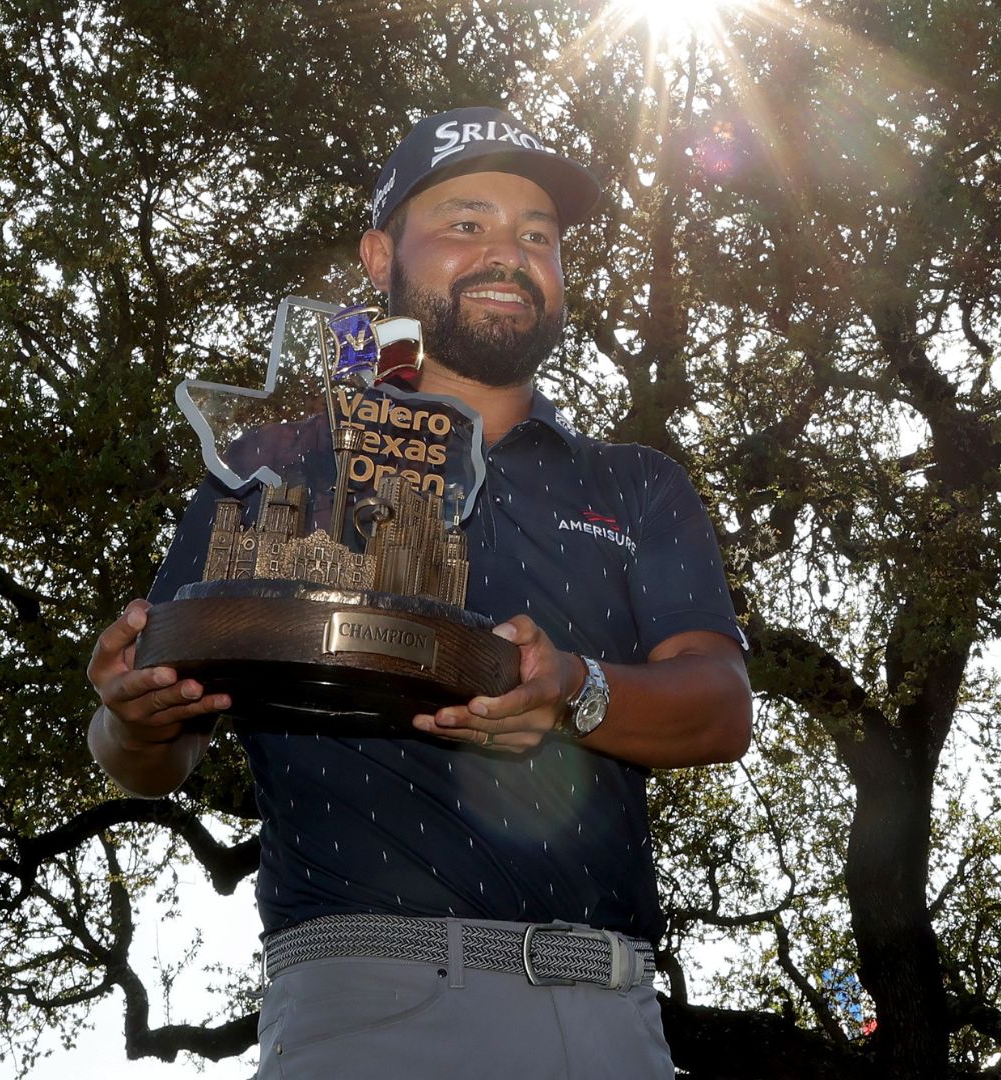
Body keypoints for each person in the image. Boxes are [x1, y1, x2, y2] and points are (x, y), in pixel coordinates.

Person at [87, 106, 751, 1078]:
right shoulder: (271, 464)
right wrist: (133, 719)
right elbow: (149, 747)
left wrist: (572, 690)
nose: (508, 254)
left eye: (538, 235)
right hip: (366, 1009)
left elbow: (721, 707)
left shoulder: (634, 483)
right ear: (379, 255)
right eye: (466, 224)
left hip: (609, 1016)